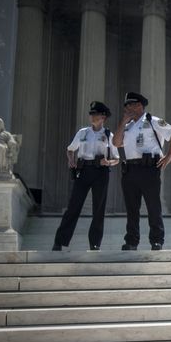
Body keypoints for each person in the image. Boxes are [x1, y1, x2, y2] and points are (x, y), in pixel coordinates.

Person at [114, 92, 171, 251]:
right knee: (131, 208)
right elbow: (116, 143)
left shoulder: (154, 121)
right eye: (127, 106)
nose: (128, 108)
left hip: (149, 168)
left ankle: (156, 240)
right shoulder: (128, 126)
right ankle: (131, 241)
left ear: (140, 105)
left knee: (153, 206)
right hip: (130, 169)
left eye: (131, 105)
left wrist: (169, 156)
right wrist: (123, 122)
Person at [52, 101, 119, 251]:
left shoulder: (109, 135)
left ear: (103, 117)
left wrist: (108, 162)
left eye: (95, 114)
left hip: (101, 172)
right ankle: (59, 241)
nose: (92, 117)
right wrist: (71, 160)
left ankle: (95, 243)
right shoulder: (83, 132)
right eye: (91, 114)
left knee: (98, 209)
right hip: (83, 171)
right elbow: (70, 149)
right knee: (73, 207)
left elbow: (117, 159)